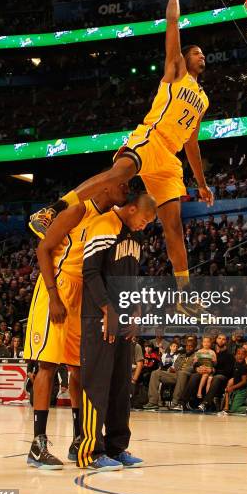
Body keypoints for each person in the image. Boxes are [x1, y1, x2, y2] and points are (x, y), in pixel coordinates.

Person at [28, 0, 213, 304]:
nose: (201, 56)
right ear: (184, 58)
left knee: (173, 226)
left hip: (170, 159)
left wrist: (201, 183)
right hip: (151, 138)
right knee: (117, 175)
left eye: (202, 54)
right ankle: (52, 211)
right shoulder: (176, 72)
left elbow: (192, 142)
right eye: (196, 52)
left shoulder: (203, 99)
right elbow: (172, 28)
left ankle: (185, 294)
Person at [25, 183, 129, 470]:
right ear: (106, 188)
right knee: (47, 365)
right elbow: (43, 249)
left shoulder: (109, 220)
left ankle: (78, 440)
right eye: (122, 184)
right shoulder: (78, 211)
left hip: (83, 296)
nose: (127, 189)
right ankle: (37, 445)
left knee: (79, 368)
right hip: (57, 288)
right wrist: (54, 297)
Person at [77, 193, 157, 471]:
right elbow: (90, 273)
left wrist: (135, 310)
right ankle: (89, 451)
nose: (144, 226)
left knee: (120, 386)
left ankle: (116, 446)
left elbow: (131, 276)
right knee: (96, 383)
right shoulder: (102, 225)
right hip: (97, 315)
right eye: (143, 220)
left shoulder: (136, 237)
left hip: (122, 315)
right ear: (132, 208)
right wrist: (107, 309)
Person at [144, 338, 197, 411]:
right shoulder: (181, 356)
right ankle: (153, 402)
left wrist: (179, 370)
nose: (188, 348)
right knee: (155, 373)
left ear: (194, 347)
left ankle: (175, 403)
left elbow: (193, 368)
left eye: (191, 346)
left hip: (187, 376)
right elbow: (175, 366)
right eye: (187, 346)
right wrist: (171, 369)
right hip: (176, 375)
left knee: (182, 373)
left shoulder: (196, 356)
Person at [222, 347, 247, 414]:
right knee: (231, 408)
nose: (240, 356)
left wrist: (232, 387)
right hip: (237, 389)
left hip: (242, 391)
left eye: (243, 354)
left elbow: (244, 381)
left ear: (245, 355)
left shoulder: (243, 366)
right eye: (238, 354)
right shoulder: (236, 363)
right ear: (235, 355)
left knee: (234, 409)